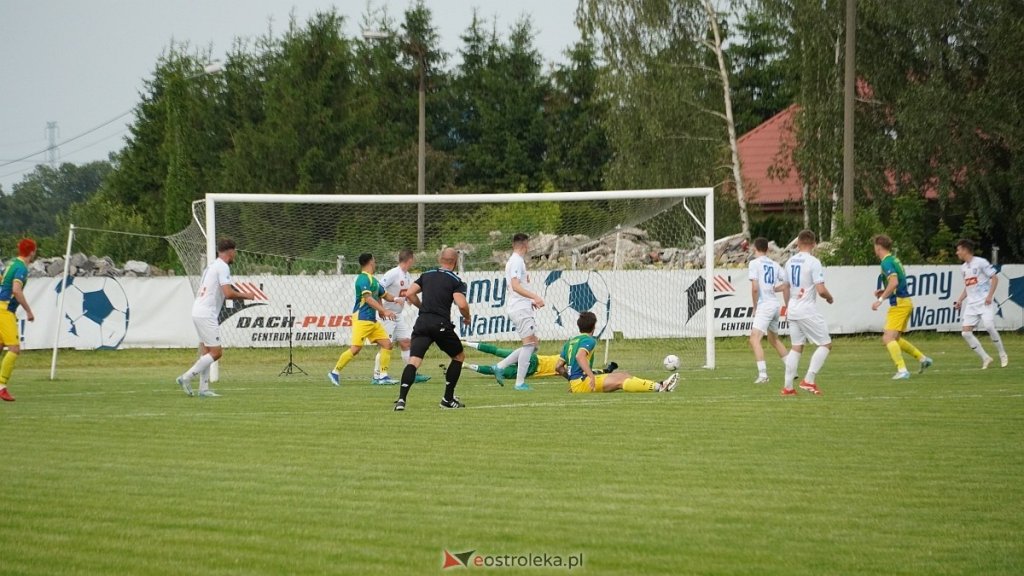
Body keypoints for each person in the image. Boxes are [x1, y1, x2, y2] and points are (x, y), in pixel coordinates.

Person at [393, 248, 472, 412]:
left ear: (439, 259)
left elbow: (409, 293)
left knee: (414, 361)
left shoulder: (426, 275)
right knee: (458, 356)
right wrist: (467, 316)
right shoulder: (456, 281)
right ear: (455, 262)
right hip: (440, 324)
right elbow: (462, 304)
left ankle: (401, 400)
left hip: (422, 322)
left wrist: (422, 307)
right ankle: (447, 399)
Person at [176, 238, 254, 398]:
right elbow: (228, 293)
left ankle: (203, 389)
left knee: (206, 351)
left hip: (198, 310)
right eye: (235, 252)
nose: (236, 255)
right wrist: (247, 295)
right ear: (230, 251)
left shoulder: (212, 265)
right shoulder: (223, 267)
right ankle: (186, 377)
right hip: (206, 313)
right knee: (216, 352)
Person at [558, 312, 678, 394]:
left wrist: (572, 382)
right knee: (621, 381)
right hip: (584, 382)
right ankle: (660, 387)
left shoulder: (570, 342)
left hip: (578, 383)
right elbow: (580, 356)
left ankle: (660, 385)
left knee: (624, 375)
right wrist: (591, 376)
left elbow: (558, 367)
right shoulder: (589, 340)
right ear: (594, 326)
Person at [328, 253, 398, 386]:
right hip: (362, 318)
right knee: (355, 349)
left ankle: (382, 376)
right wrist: (383, 311)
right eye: (374, 260)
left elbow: (384, 295)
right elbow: (369, 299)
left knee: (387, 344)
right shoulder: (362, 279)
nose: (375, 262)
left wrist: (396, 299)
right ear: (371, 261)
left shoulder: (374, 280)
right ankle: (335, 372)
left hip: (371, 320)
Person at [870, 234, 933, 379]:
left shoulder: (886, 262)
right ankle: (923, 359)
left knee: (887, 338)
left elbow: (894, 283)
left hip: (899, 304)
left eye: (875, 246)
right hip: (904, 302)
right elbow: (897, 283)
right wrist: (885, 292)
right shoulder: (894, 259)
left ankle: (902, 370)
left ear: (878, 247)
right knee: (895, 338)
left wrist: (880, 299)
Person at [781, 230, 835, 397]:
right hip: (806, 308)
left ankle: (788, 388)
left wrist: (788, 305)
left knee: (796, 347)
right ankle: (809, 380)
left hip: (793, 308)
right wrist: (829, 298)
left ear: (797, 243)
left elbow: (785, 287)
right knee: (825, 344)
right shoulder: (813, 262)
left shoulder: (789, 262)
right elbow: (820, 289)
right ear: (813, 244)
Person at [489, 233, 545, 391]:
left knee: (533, 345)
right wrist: (535, 297)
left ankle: (500, 366)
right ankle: (519, 383)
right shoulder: (516, 262)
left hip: (522, 306)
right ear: (525, 245)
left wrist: (530, 301)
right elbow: (515, 286)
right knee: (529, 345)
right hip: (519, 308)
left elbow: (518, 287)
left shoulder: (517, 261)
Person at [372, 249, 429, 385]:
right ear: (410, 260)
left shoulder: (407, 275)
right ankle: (378, 376)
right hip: (387, 315)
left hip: (397, 315)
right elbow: (377, 289)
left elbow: (408, 294)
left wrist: (420, 307)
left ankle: (411, 374)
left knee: (406, 342)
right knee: (387, 345)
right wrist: (381, 309)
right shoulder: (393, 273)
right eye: (413, 259)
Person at [954, 239, 1008, 369]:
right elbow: (968, 287)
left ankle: (1002, 354)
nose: (957, 253)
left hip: (984, 302)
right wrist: (960, 300)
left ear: (965, 250)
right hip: (972, 305)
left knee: (989, 326)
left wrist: (990, 296)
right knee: (965, 333)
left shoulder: (981, 262)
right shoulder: (963, 268)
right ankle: (986, 358)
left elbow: (995, 278)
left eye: (958, 250)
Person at [463, 340, 618, 381]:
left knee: (497, 352)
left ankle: (466, 343)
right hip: (530, 370)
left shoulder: (565, 356)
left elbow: (590, 370)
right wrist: (605, 371)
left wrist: (605, 370)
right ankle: (467, 365)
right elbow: (590, 372)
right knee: (494, 369)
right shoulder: (569, 368)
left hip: (532, 359)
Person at [0, 238, 38, 402]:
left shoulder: (11, 263)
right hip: (5, 310)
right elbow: (16, 290)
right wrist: (29, 311)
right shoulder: (21, 268)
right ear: (32, 252)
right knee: (14, 349)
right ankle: (2, 386)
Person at [747, 237, 790, 384]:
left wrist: (755, 307)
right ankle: (792, 369)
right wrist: (776, 290)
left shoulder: (754, 263)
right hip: (775, 305)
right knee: (773, 339)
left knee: (754, 339)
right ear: (767, 249)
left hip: (764, 305)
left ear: (754, 248)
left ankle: (763, 375)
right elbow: (786, 284)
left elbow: (754, 288)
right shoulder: (775, 264)